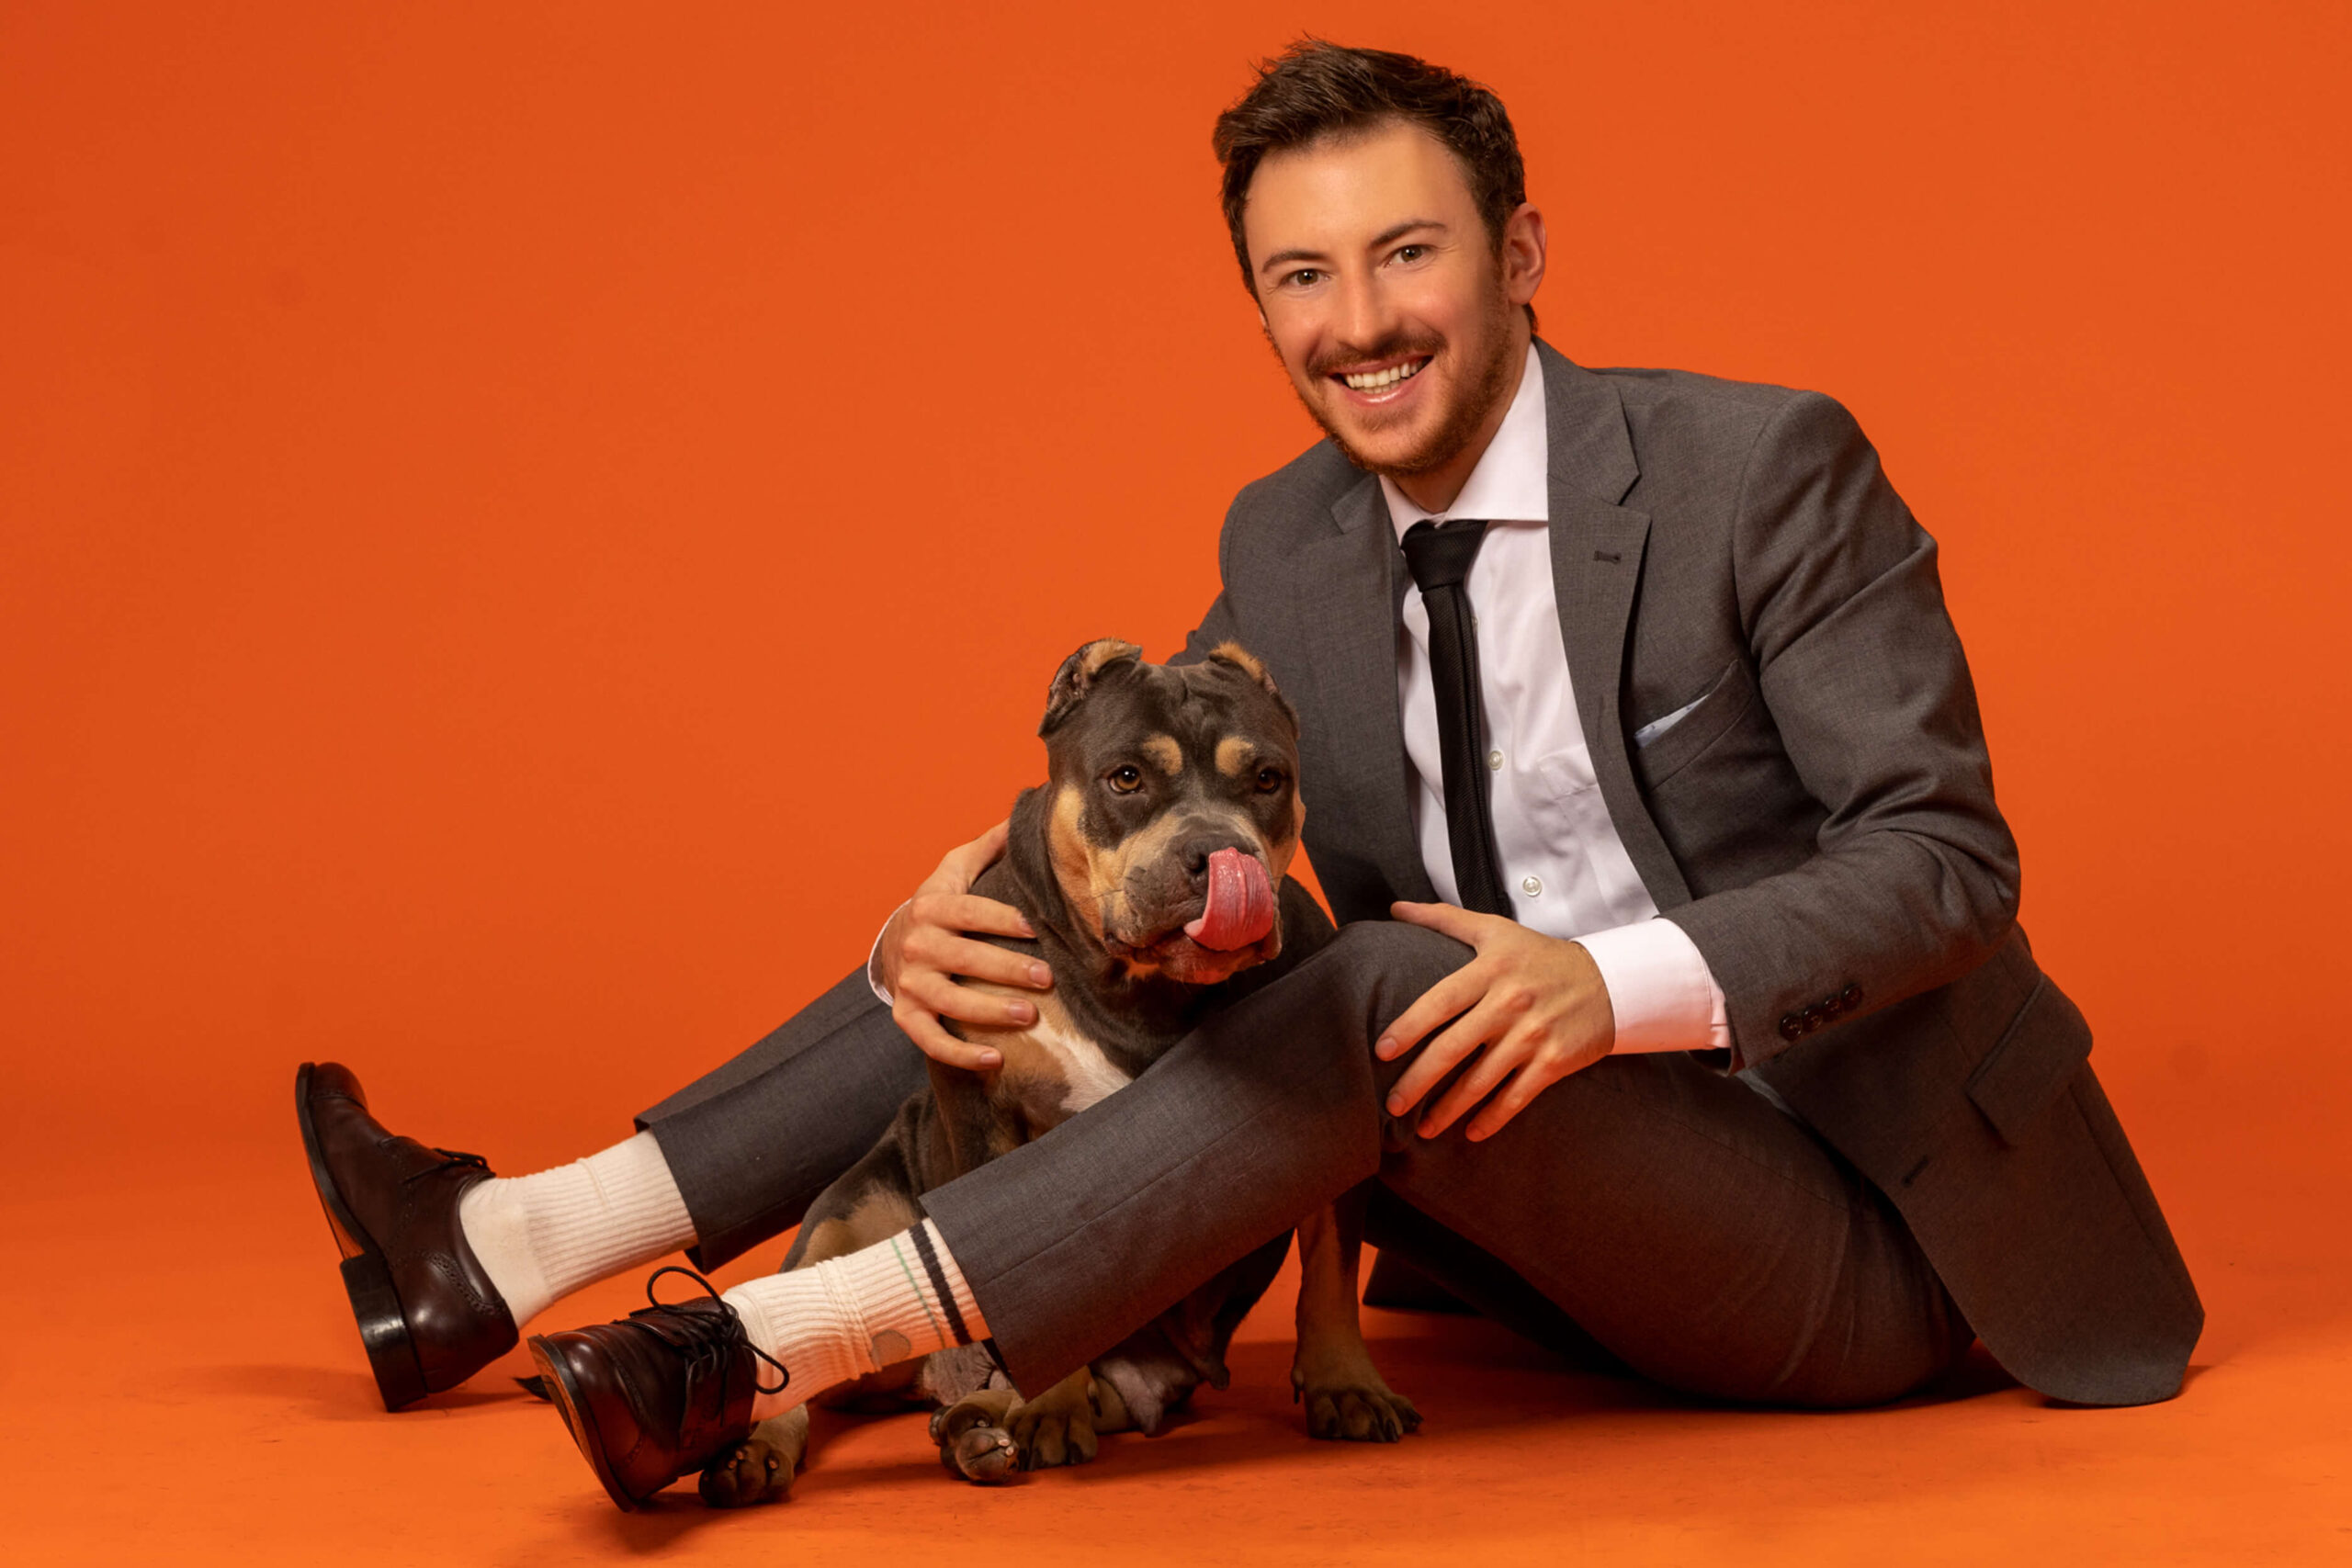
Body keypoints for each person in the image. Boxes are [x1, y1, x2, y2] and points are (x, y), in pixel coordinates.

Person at [296, 40, 2200, 1506]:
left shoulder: (1757, 470)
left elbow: (1942, 859)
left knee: (1374, 974)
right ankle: (511, 1240)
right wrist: (910, 939)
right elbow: (1127, 812)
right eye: (1299, 275)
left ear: (1519, 251)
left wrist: (1598, 983)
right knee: (1028, 920)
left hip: (1867, 1220)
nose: (1353, 322)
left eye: (1401, 253)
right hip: (1514, 1227)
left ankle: (762, 1344)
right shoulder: (1289, 539)